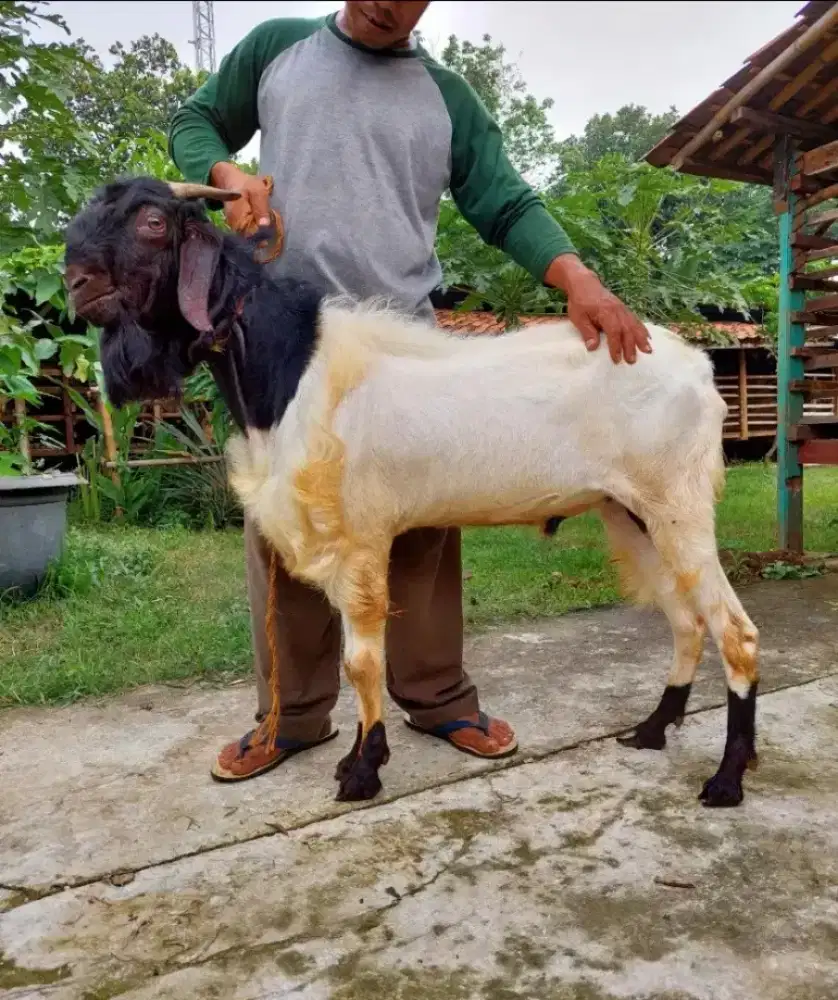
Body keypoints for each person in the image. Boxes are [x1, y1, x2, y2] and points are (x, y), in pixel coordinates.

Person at [169, 0, 651, 782]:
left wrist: (579, 278)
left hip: (401, 344)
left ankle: (436, 696)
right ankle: (290, 716)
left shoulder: (446, 95)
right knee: (290, 531)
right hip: (289, 342)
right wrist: (224, 172)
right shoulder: (276, 49)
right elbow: (195, 121)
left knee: (426, 519)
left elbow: (505, 201)